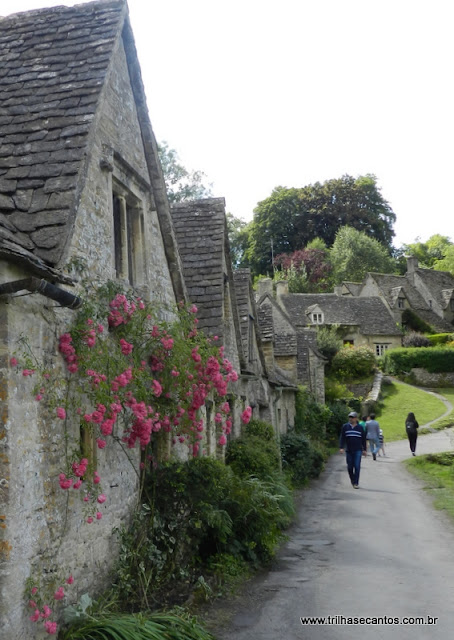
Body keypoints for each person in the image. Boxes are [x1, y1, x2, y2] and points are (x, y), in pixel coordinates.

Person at [339, 411, 367, 488]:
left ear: (356, 418)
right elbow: (342, 437)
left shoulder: (360, 428)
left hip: (358, 450)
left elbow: (363, 439)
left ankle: (356, 483)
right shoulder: (345, 426)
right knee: (350, 467)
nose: (350, 419)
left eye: (352, 417)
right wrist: (341, 447)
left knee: (357, 466)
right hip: (349, 450)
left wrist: (364, 450)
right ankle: (352, 480)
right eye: (349, 417)